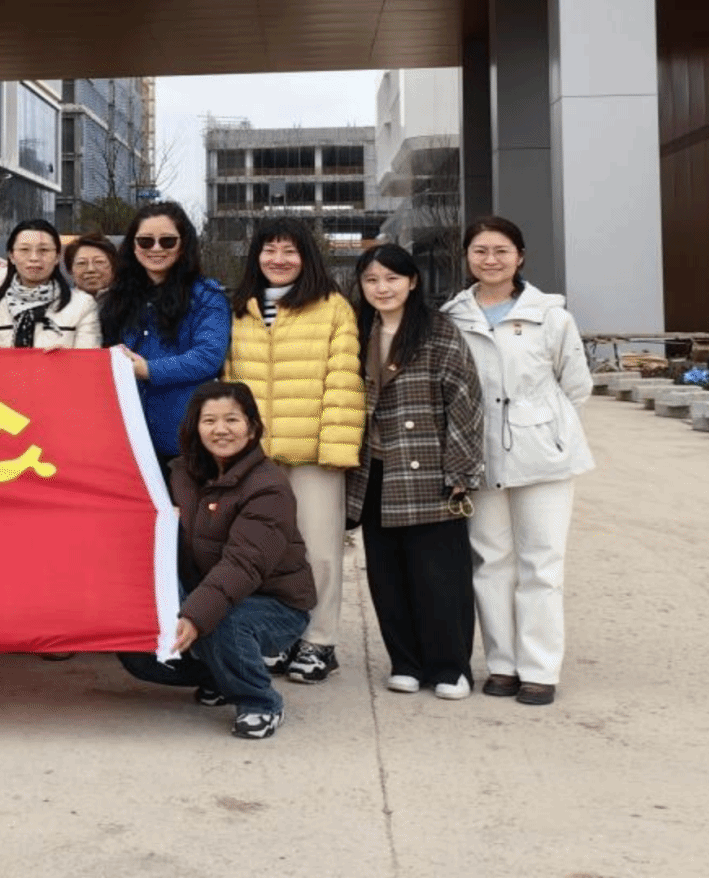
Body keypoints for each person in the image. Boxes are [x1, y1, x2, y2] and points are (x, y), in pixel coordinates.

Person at [442, 216, 594, 708]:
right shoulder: (452, 317)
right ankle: (502, 665)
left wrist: (545, 427)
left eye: (501, 250)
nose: (491, 260)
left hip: (543, 454)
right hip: (477, 453)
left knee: (541, 562)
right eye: (480, 250)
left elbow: (576, 385)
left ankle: (539, 669)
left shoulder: (551, 316)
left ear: (520, 257)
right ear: (467, 257)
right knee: (491, 562)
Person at [117, 381, 316, 741]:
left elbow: (243, 565)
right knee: (139, 649)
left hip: (275, 604)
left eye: (232, 420)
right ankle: (220, 677)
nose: (220, 429)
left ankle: (260, 702)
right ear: (195, 427)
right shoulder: (180, 473)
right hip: (210, 593)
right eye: (209, 420)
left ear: (252, 427)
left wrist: (194, 616)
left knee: (222, 625)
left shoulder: (269, 487)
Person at [223, 218, 364, 686]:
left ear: (306, 257)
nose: (278, 259)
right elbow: (229, 382)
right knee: (264, 552)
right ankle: (279, 637)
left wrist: (335, 450)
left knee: (319, 551)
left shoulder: (332, 307)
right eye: (270, 250)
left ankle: (319, 642)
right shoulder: (240, 309)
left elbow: (343, 382)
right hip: (255, 456)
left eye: (290, 251)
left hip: (313, 453)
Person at [347, 243, 485, 701]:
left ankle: (451, 667)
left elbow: (465, 400)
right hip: (374, 470)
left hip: (428, 469)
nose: (381, 288)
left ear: (412, 281)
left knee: (440, 576)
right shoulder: (357, 331)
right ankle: (405, 662)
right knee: (387, 575)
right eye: (371, 280)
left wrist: (461, 468)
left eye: (391, 278)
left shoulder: (438, 331)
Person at [100, 204, 232, 462]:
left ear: (183, 245)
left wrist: (148, 370)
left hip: (183, 439)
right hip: (126, 436)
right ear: (133, 245)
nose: (156, 248)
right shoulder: (117, 298)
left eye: (168, 241)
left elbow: (208, 357)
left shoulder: (208, 297)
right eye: (146, 241)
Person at [0, 219, 102, 349]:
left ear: (57, 257)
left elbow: (89, 357)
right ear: (11, 256)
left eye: (44, 250)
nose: (34, 258)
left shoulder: (82, 305)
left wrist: (66, 357)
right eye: (24, 250)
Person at [65, 234, 119, 298]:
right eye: (81, 263)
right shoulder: (61, 302)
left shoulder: (126, 301)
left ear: (113, 267)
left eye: (99, 262)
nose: (91, 269)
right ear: (70, 269)